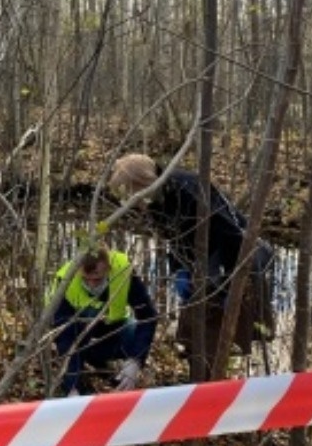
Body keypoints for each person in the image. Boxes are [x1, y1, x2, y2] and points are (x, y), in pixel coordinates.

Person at [107, 153, 274, 372]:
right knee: (194, 341)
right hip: (200, 269)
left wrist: (229, 285)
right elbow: (176, 240)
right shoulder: (157, 201)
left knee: (217, 341)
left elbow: (232, 236)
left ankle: (214, 388)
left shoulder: (189, 190)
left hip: (235, 265)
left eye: (133, 196)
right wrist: (178, 270)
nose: (134, 204)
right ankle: (201, 383)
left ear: (143, 184)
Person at [49, 244, 157, 396]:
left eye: (97, 279)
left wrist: (136, 360)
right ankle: (83, 374)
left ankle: (113, 368)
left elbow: (148, 316)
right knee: (72, 351)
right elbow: (65, 338)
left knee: (134, 333)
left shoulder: (123, 271)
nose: (92, 284)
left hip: (115, 328)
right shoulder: (65, 280)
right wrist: (72, 386)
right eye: (86, 279)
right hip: (80, 336)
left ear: (108, 268)